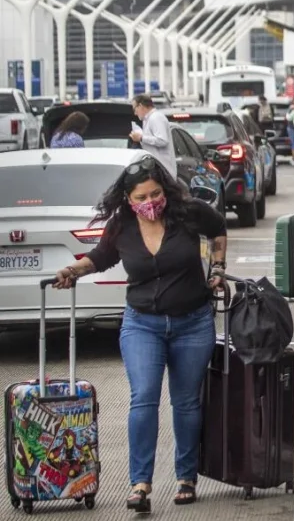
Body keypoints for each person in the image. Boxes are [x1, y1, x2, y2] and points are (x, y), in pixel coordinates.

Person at [52, 157, 227, 510]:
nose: (150, 202)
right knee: (144, 398)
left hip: (192, 322)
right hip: (141, 323)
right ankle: (140, 484)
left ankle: (185, 478)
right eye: (141, 197)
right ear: (128, 200)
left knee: (186, 402)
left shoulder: (187, 211)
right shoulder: (122, 225)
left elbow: (218, 229)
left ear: (166, 190)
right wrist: (74, 270)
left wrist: (219, 267)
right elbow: (100, 257)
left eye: (156, 193)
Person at [131, 95, 177, 178]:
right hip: (156, 170)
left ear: (140, 106)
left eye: (135, 109)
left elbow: (162, 140)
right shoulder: (148, 119)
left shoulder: (156, 117)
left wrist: (141, 138)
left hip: (163, 171)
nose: (135, 113)